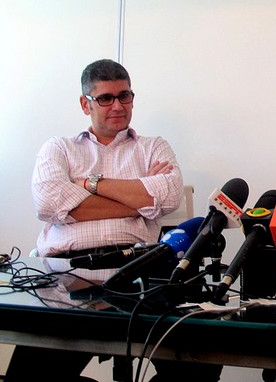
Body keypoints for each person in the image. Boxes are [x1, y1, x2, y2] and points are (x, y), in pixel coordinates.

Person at [6, 59, 221, 381]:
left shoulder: (152, 147)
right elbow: (50, 203)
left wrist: (88, 185)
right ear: (85, 103)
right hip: (67, 277)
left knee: (199, 362)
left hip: (141, 274)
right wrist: (139, 200)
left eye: (125, 96)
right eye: (106, 98)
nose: (117, 105)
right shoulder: (59, 148)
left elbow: (167, 196)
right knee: (28, 375)